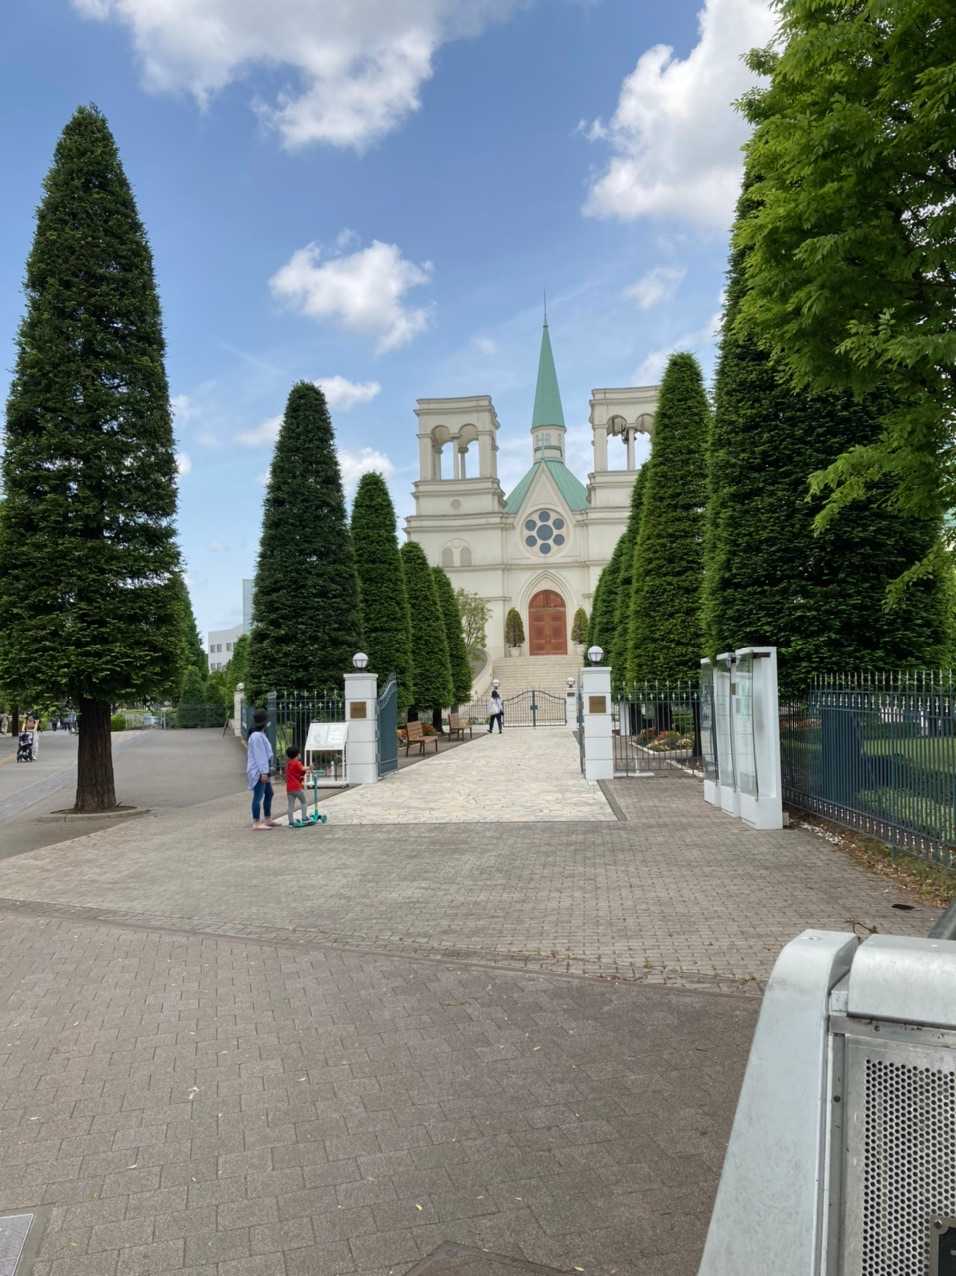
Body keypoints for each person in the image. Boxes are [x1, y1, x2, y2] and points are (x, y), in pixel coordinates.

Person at [246, 709, 276, 830]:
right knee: (258, 796)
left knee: (269, 793)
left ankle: (267, 819)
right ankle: (256, 822)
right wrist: (264, 773)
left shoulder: (259, 734)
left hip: (263, 769)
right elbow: (260, 756)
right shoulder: (257, 736)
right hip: (259, 771)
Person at [285, 746, 310, 826]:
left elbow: (297, 773)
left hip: (289, 788)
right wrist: (309, 767)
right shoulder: (296, 762)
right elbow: (302, 769)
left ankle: (291, 822)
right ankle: (304, 818)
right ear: (297, 755)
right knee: (304, 802)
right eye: (299, 753)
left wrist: (303, 773)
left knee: (290, 805)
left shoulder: (288, 764)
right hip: (296, 787)